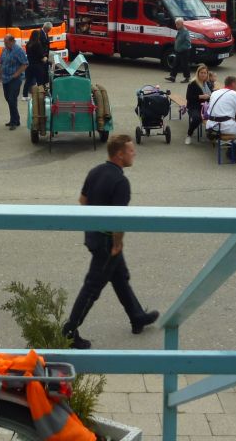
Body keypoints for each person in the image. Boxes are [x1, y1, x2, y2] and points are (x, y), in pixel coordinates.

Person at [61, 135, 159, 349]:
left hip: (93, 234)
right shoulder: (120, 182)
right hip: (107, 241)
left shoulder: (95, 171)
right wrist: (117, 243)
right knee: (92, 287)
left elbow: (82, 200)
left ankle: (137, 316)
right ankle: (69, 331)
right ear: (119, 154)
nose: (134, 154)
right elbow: (118, 219)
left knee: (120, 277)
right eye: (131, 151)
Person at [205, 75, 236, 163]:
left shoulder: (215, 92)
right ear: (233, 84)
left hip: (210, 124)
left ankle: (232, 149)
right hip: (223, 126)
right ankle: (232, 152)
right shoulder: (233, 94)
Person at [0, 34, 28, 129]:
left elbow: (25, 64)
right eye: (4, 43)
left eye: (6, 43)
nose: (5, 45)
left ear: (12, 41)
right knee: (8, 99)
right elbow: (2, 64)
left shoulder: (19, 51)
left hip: (15, 79)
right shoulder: (4, 50)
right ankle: (15, 119)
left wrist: (17, 74)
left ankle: (14, 122)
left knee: (12, 99)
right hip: (5, 78)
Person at [184, 64, 213, 145]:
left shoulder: (208, 83)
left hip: (207, 106)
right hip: (194, 106)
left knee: (218, 116)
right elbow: (188, 97)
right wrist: (201, 96)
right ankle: (189, 134)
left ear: (207, 74)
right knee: (197, 118)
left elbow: (212, 95)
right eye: (201, 73)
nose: (203, 74)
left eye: (205, 73)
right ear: (198, 73)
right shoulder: (193, 83)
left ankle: (213, 135)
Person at [23, 22, 51, 98]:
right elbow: (40, 55)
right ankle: (42, 95)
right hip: (37, 65)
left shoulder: (28, 44)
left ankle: (24, 95)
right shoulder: (37, 44)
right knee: (40, 81)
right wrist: (45, 59)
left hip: (30, 65)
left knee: (28, 80)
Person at [165, 19, 192, 83]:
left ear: (182, 24)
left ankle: (187, 78)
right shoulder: (180, 31)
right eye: (176, 24)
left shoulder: (185, 32)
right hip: (179, 51)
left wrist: (181, 48)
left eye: (178, 24)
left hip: (184, 51)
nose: (176, 25)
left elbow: (188, 42)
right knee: (175, 63)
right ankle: (172, 77)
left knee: (184, 65)